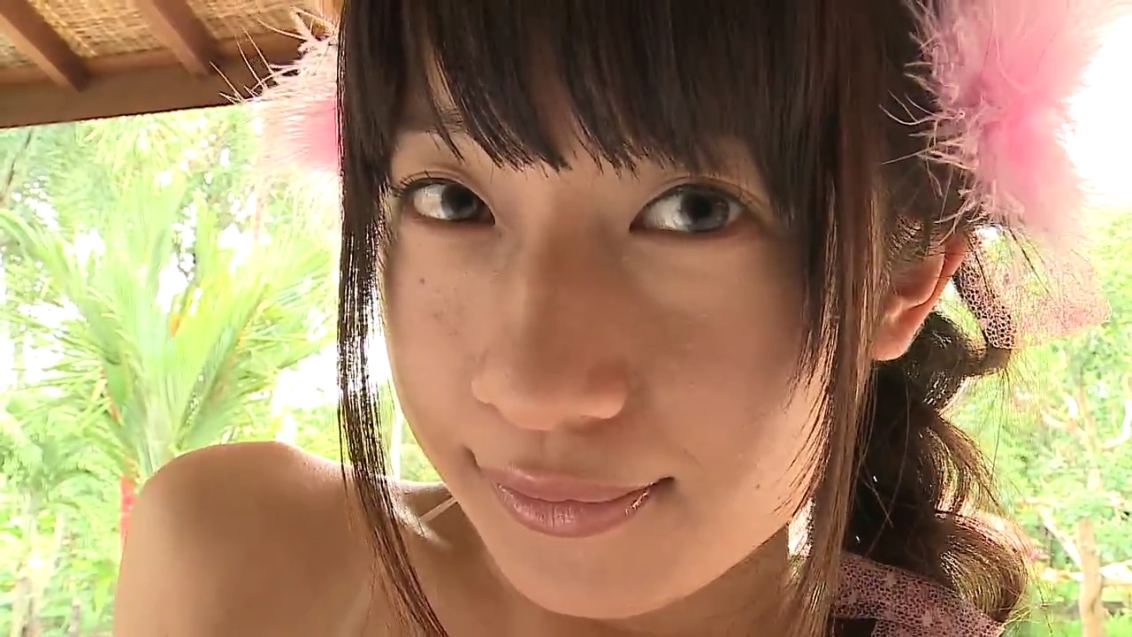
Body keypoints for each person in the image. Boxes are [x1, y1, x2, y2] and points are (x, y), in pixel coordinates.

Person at [112, 1, 1120, 635]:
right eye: (451, 199)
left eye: (696, 211)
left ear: (905, 285)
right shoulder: (228, 559)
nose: (531, 383)